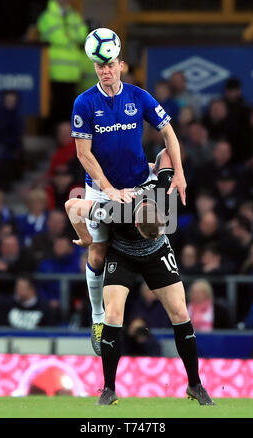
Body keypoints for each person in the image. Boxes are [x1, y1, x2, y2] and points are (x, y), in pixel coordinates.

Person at [65, 148, 214, 406]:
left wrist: (176, 170)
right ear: (136, 224)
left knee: (180, 312)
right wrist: (87, 237)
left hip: (157, 252)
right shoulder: (114, 209)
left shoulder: (162, 190)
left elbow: (167, 151)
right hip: (123, 253)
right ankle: (109, 389)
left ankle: (195, 384)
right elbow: (72, 205)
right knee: (113, 315)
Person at [71, 42, 187, 355]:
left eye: (109, 64)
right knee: (97, 254)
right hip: (101, 186)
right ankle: (97, 318)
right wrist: (108, 189)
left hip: (138, 183)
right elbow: (83, 153)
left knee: (154, 225)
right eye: (99, 66)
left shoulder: (138, 96)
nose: (105, 71)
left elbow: (169, 134)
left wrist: (180, 173)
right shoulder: (84, 102)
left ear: (121, 64)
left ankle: (160, 271)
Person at [37, 0, 88, 125]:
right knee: (56, 108)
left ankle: (67, 140)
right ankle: (55, 137)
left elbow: (83, 34)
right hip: (55, 72)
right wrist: (72, 37)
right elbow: (57, 37)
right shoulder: (47, 16)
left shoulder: (74, 15)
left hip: (73, 73)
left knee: (70, 109)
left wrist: (68, 36)